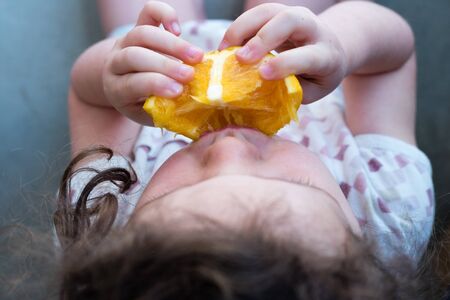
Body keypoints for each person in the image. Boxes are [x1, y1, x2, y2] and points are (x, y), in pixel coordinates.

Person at [54, 0, 435, 298]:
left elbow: (87, 99)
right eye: (293, 183)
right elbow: (392, 62)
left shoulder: (99, 225)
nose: (229, 147)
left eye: (181, 191)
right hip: (291, 57)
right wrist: (340, 44)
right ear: (359, 234)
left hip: (159, 60)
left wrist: (115, 77)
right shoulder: (392, 214)